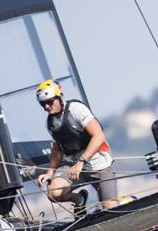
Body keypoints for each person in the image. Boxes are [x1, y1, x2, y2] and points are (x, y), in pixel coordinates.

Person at [34, 79, 117, 215]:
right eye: (42, 104)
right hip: (72, 166)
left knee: (111, 211)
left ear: (59, 97)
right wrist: (49, 173)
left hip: (98, 165)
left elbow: (98, 136)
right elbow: (57, 149)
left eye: (50, 102)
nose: (47, 107)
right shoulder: (50, 123)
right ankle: (79, 200)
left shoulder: (76, 109)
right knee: (54, 193)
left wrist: (80, 163)